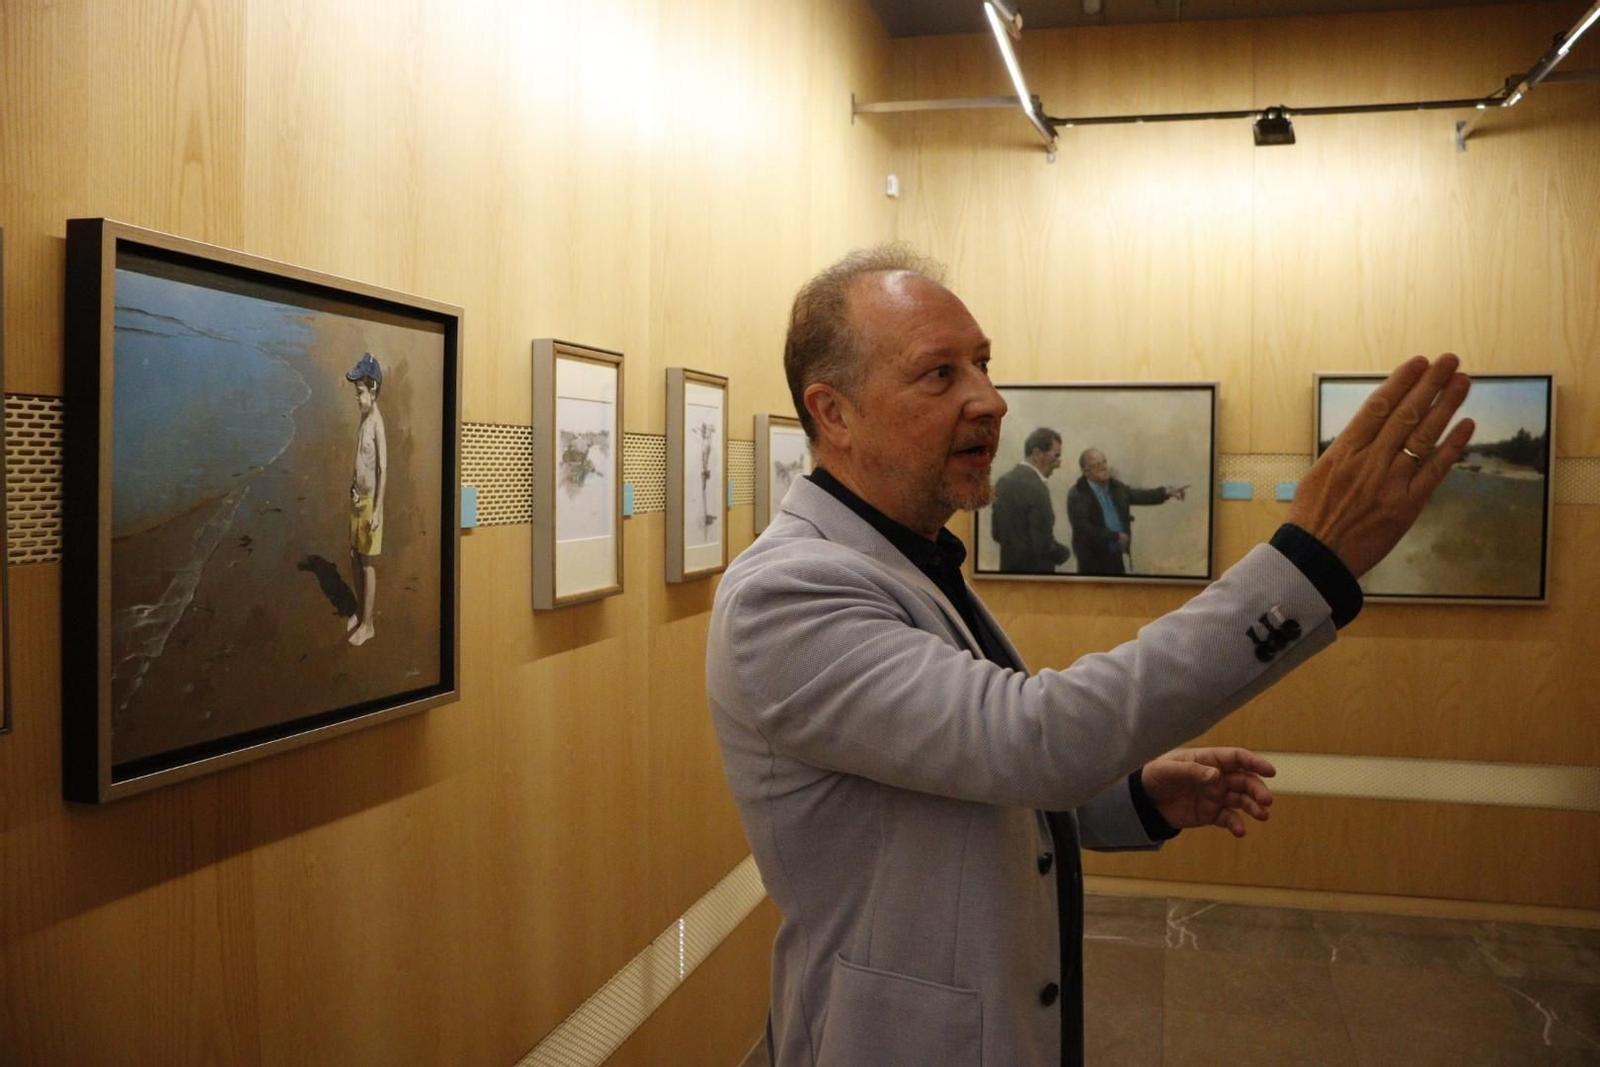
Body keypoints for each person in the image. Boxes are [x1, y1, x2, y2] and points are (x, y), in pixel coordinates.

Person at [706, 245, 1472, 1067]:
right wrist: (1306, 566)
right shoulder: (787, 593)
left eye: (985, 365)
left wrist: (1131, 797)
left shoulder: (907, 557)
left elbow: (966, 777)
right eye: (940, 374)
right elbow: (1028, 740)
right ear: (836, 412)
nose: (991, 400)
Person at [1065, 448, 1189, 576]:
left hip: (1116, 556)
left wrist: (1166, 491)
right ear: (1086, 471)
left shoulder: (1116, 488)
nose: (1104, 467)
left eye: (1104, 462)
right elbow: (1083, 528)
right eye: (1097, 465)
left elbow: (1141, 495)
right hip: (1092, 561)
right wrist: (1115, 536)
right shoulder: (1078, 494)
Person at [346, 352, 387, 647]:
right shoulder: (363, 417)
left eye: (359, 391)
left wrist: (378, 510)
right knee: (353, 555)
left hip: (371, 502)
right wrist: (352, 485)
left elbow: (384, 468)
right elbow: (361, 459)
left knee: (367, 562)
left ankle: (369, 624)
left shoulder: (376, 422)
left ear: (372, 389)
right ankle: (360, 612)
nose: (356, 396)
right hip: (357, 497)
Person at [990, 427, 1073, 573]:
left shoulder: (1002, 482)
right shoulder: (1037, 488)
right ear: (1037, 454)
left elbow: (997, 533)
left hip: (1007, 574)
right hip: (1037, 576)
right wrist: (1064, 554)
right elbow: (1043, 544)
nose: (1058, 463)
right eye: (1056, 456)